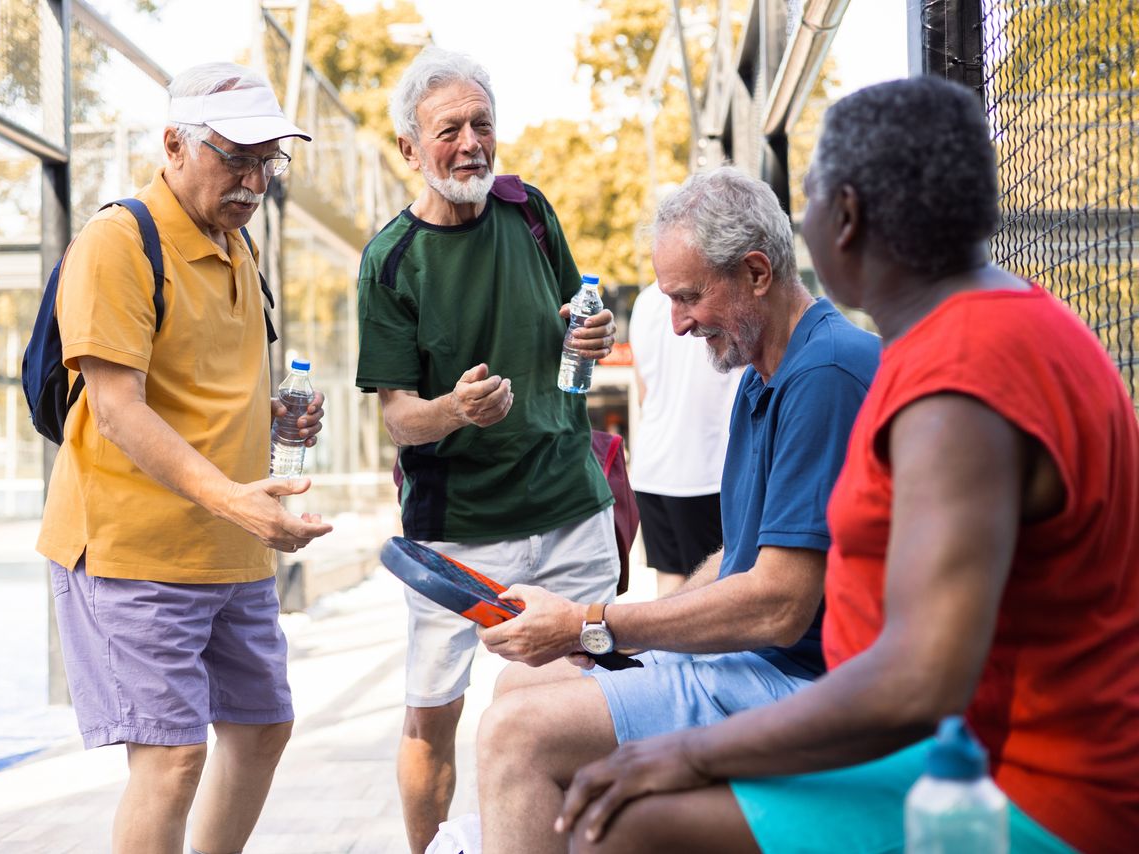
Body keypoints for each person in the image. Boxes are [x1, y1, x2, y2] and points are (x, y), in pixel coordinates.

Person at [554, 77, 1139, 854]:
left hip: (1026, 794)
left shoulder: (961, 376)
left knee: (627, 824)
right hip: (964, 755)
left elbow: (917, 681)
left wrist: (689, 750)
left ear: (847, 215)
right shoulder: (990, 326)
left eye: (811, 200)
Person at [475, 166, 881, 853]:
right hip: (764, 664)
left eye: (689, 297)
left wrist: (590, 622)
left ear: (757, 272)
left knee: (516, 735)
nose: (679, 322)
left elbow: (779, 604)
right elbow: (738, 557)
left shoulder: (826, 374)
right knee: (520, 680)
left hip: (809, 687)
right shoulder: (768, 376)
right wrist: (609, 640)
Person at [36, 62, 333, 854]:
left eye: (268, 161)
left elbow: (193, 384)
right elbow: (118, 407)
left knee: (264, 727)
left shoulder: (237, 246)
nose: (253, 180)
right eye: (236, 158)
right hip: (135, 549)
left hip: (230, 554)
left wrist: (272, 413)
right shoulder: (116, 242)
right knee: (171, 759)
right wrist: (236, 499)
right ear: (173, 143)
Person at [354, 47, 621, 854]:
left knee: (587, 701)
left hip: (572, 506)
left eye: (482, 124)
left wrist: (592, 333)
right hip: (460, 531)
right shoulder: (390, 262)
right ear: (409, 149)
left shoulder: (531, 210)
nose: (470, 143)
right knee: (434, 713)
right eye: (448, 131)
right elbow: (399, 419)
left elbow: (576, 319)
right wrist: (454, 411)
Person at [628, 281, 742, 596]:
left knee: (670, 586)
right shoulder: (715, 294)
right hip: (704, 469)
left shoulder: (645, 301)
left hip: (651, 468)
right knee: (713, 591)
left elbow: (643, 390)